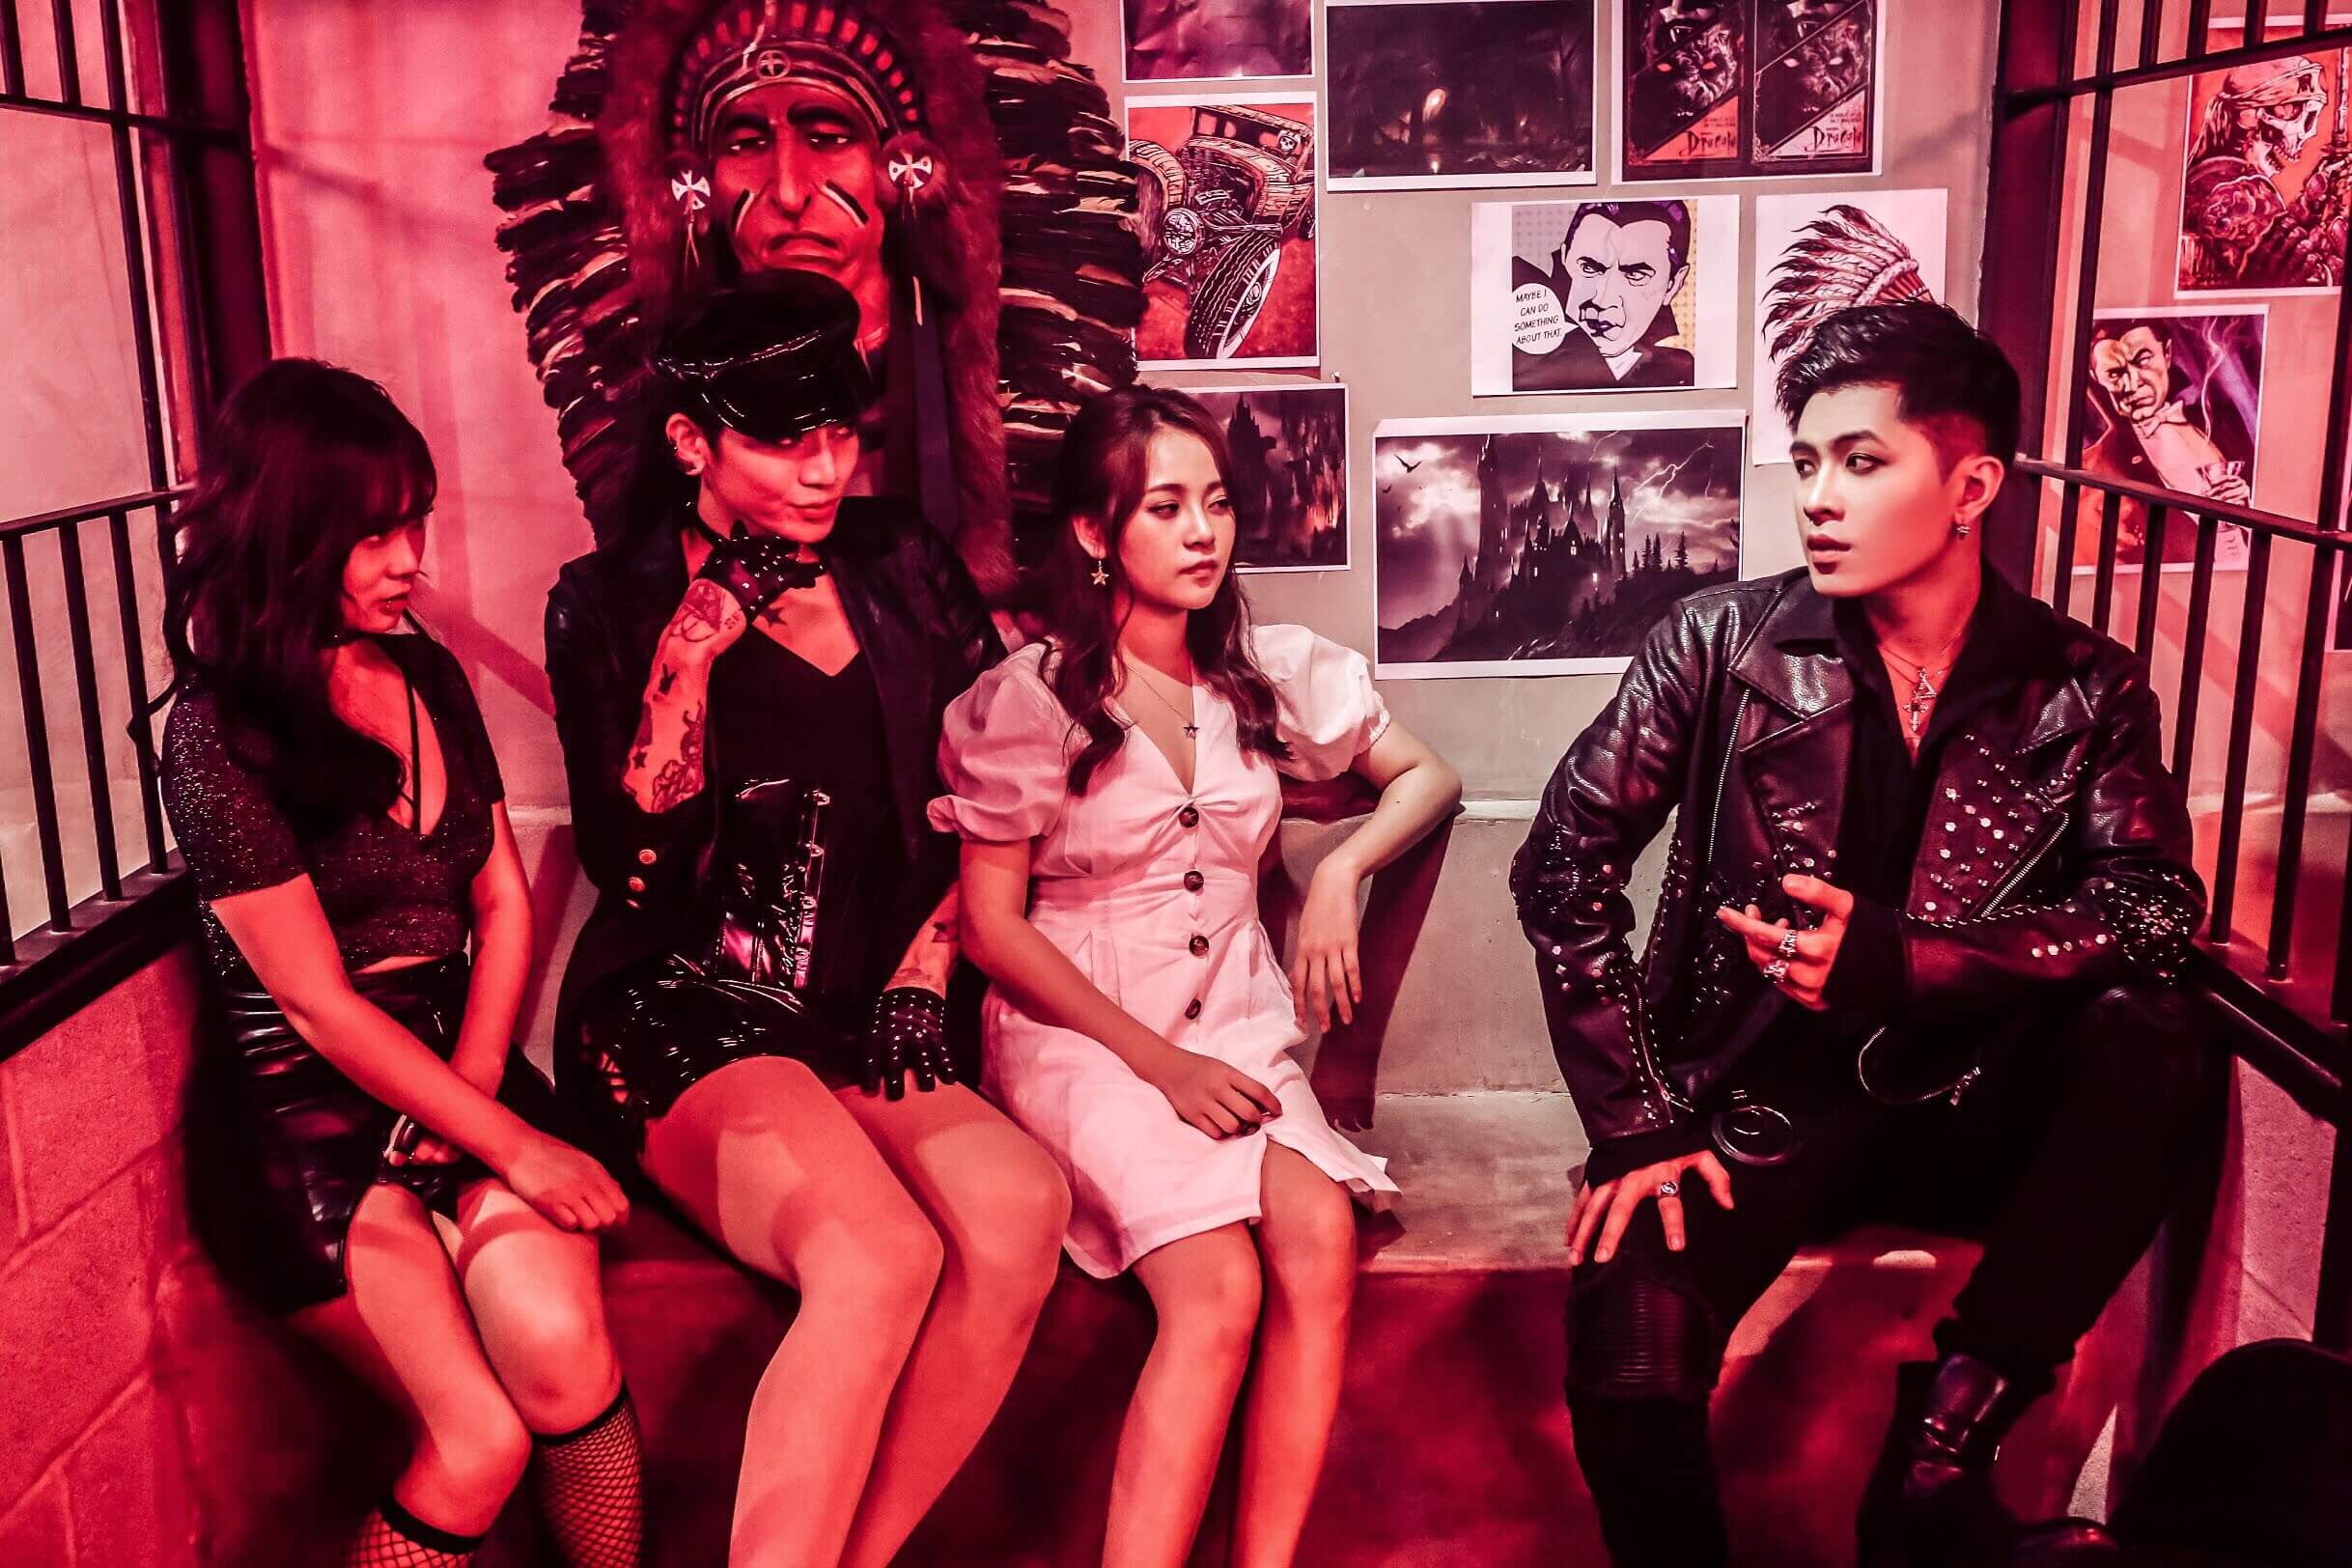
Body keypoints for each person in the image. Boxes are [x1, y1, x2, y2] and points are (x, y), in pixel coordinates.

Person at [1510, 303, 2220, 1568]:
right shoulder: (1716, 645)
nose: (1820, 499)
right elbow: (1563, 862)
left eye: (1862, 460)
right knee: (1630, 1351)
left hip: (1980, 1103)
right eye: (1808, 462)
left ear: (1971, 488)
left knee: (2158, 1026)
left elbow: (2156, 908)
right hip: (1760, 1102)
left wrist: (1912, 962)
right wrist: (1638, 1120)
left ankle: (1939, 1459)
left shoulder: (2083, 681)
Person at [542, 272, 1069, 1568]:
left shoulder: (901, 560)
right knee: (877, 1255)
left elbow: (999, 789)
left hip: (871, 1002)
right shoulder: (604, 600)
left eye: (840, 433)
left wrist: (927, 964)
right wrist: (689, 653)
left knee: (1018, 1212)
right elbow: (635, 868)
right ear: (692, 443)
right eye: (786, 442)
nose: (826, 469)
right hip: (684, 1009)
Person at [935, 387, 1461, 1568]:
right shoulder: (1031, 699)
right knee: (1217, 1285)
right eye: (1165, 507)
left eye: (1215, 503)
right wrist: (1160, 1066)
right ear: (1094, 531)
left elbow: (1428, 776)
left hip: (1236, 1024)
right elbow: (991, 930)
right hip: (1083, 1038)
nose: (1202, 532)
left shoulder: (1263, 676)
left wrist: (1343, 871)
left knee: (1318, 1237)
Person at [160, 360, 641, 1568]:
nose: (410, 560)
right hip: (298, 1110)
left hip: (453, 1063)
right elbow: (316, 1005)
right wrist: (515, 1147)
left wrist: (477, 1096)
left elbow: (500, 896)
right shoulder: (216, 732)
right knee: (478, 1441)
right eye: (374, 534)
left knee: (563, 1359)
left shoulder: (426, 670)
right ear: (287, 532)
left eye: (413, 522)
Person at [488, 0, 1149, 598]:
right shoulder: (680, 390)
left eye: (828, 137)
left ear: (901, 166)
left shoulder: (1001, 371)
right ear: (698, 185)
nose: (788, 191)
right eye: (745, 144)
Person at [2078, 320, 2254, 569]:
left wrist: (2249, 511)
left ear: (2167, 354)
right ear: (2096, 378)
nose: (2132, 383)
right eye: (2114, 374)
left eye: (2143, 361)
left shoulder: (2225, 423)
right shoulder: (2097, 467)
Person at [1515, 201, 1695, 392]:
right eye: (1588, 268)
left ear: (1673, 284)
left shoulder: (1682, 376)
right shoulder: (1520, 365)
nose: (1603, 300)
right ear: (1565, 258)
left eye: (1635, 275)